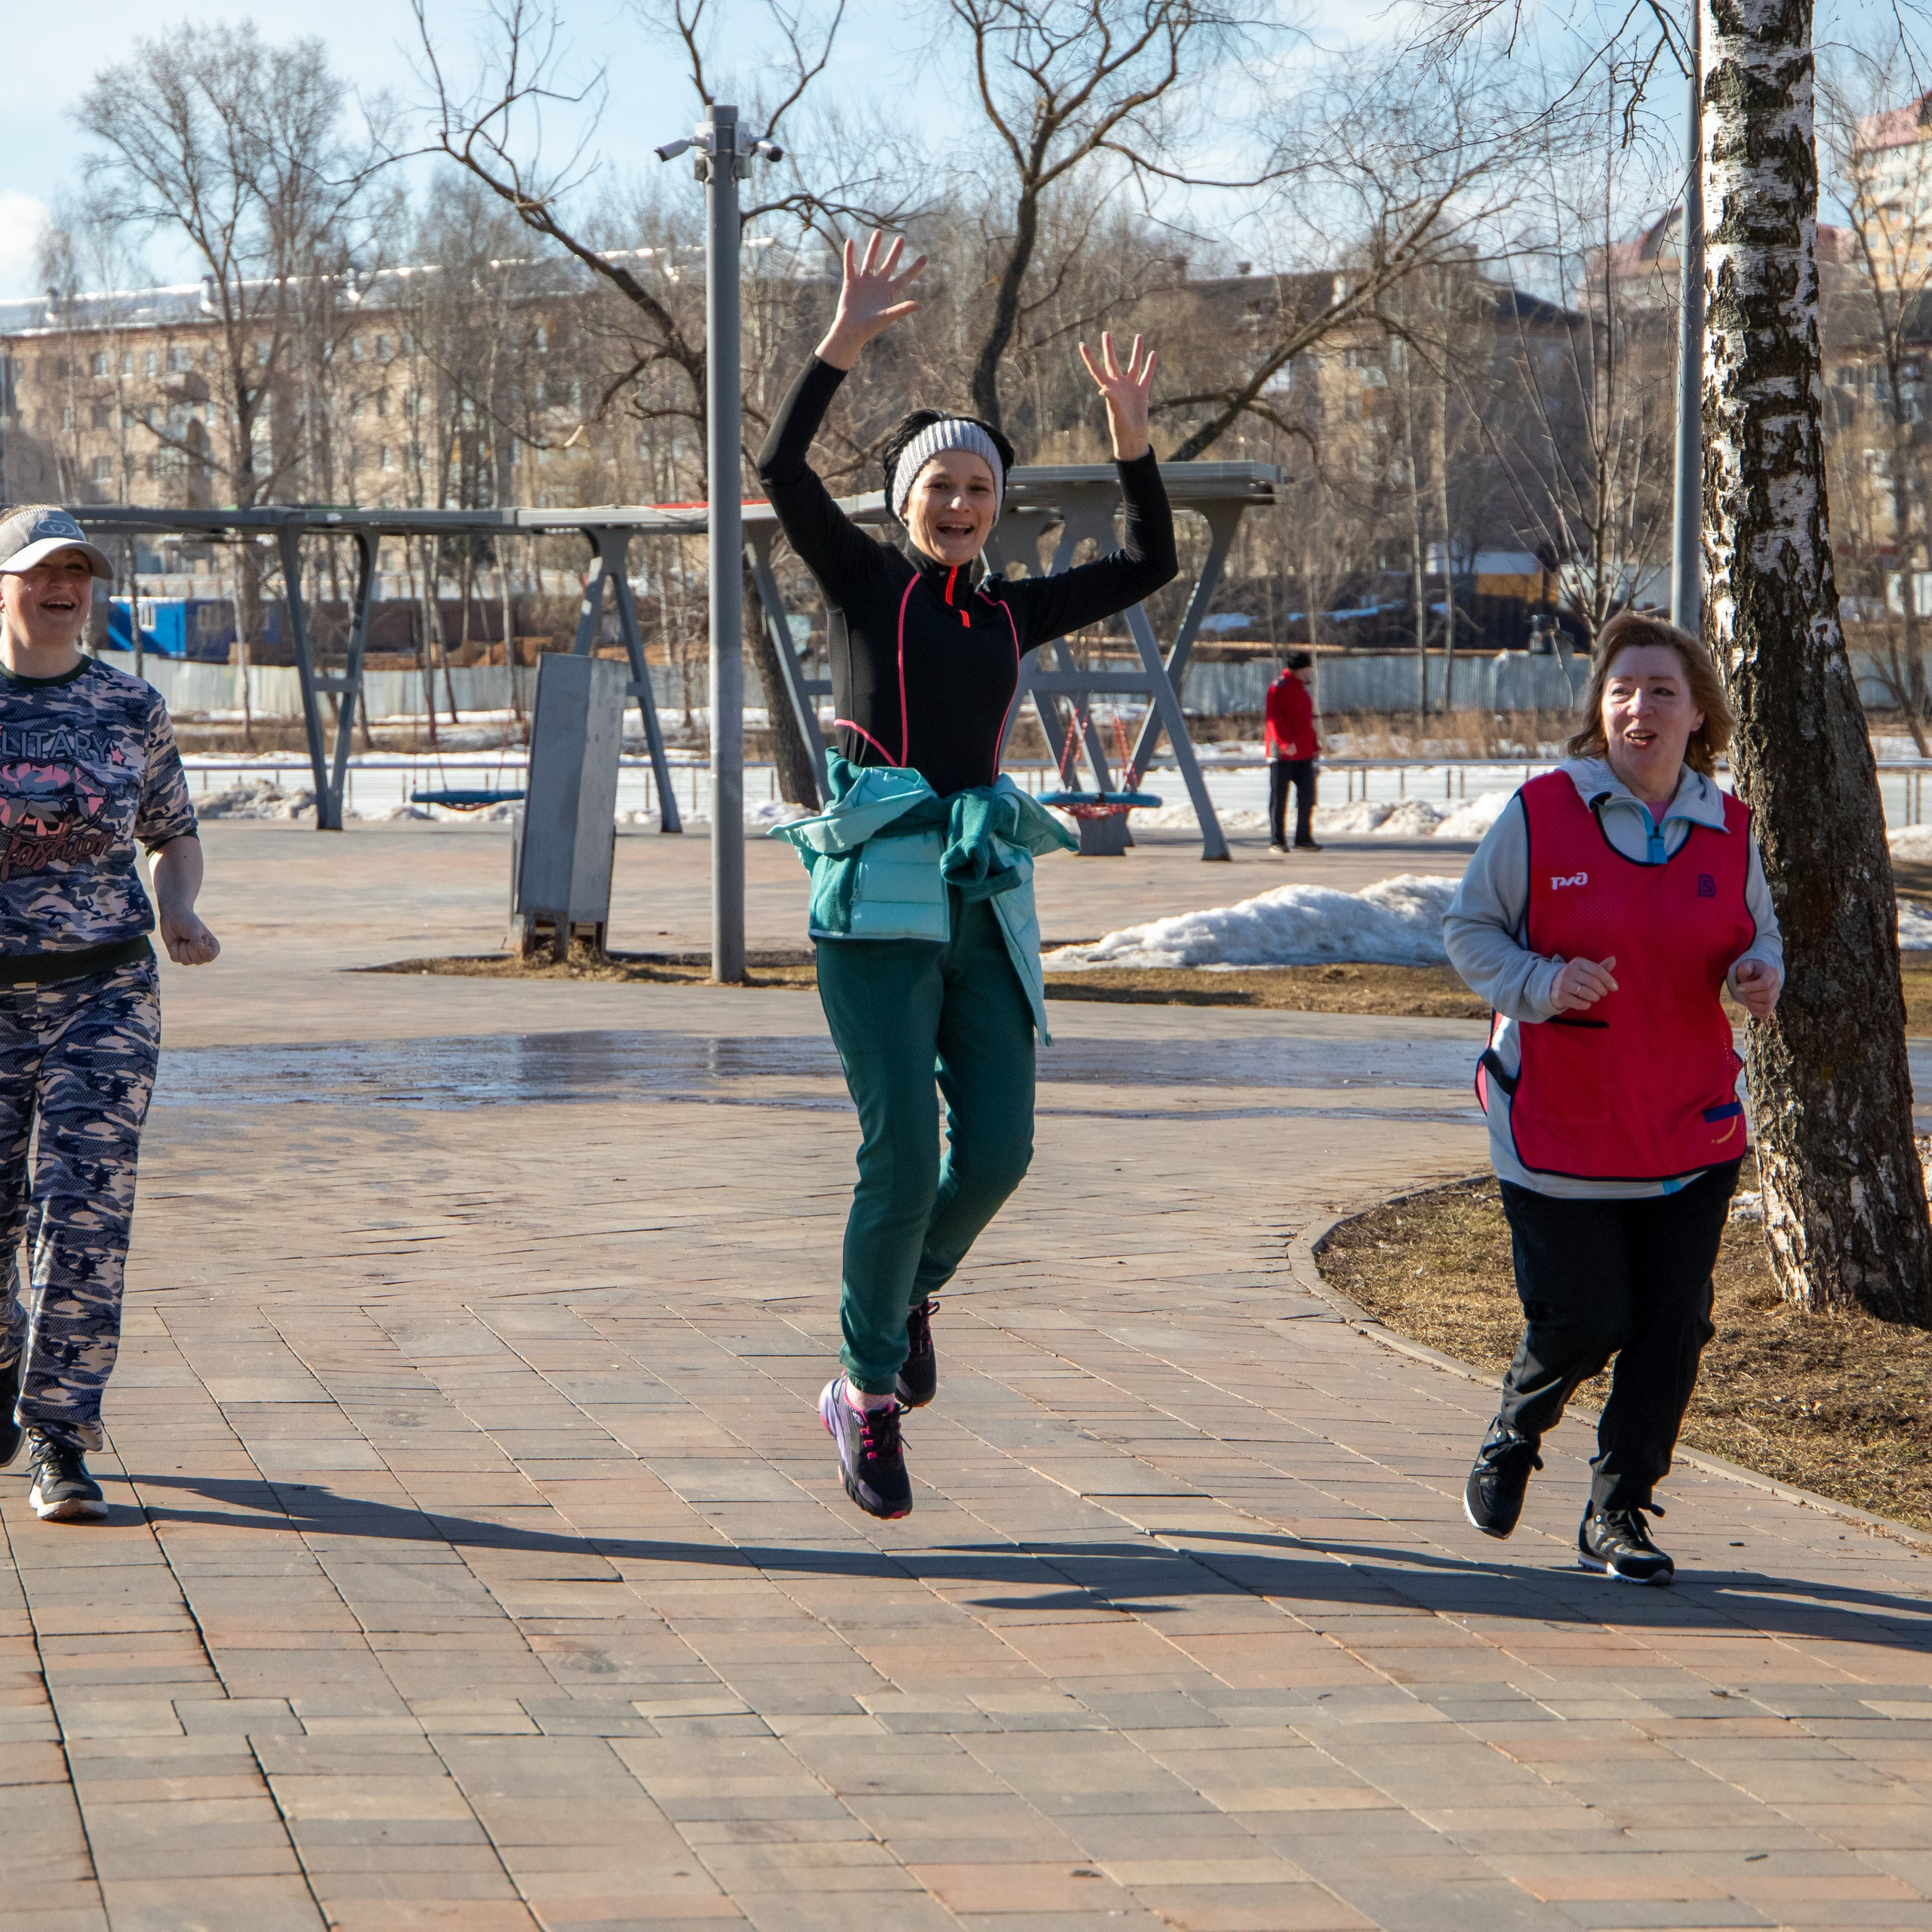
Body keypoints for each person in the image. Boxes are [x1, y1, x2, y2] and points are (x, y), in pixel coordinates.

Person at [758, 232, 1177, 1520]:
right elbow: (776, 466)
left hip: (983, 897)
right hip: (876, 899)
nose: (959, 504)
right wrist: (842, 341)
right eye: (939, 484)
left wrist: (1129, 432)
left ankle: (906, 1289)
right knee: (897, 1156)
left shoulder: (1007, 612)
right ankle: (865, 1394)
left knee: (997, 1150)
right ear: (905, 501)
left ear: (998, 507)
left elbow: (1150, 561)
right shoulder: (867, 584)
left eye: (978, 490)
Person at [1443, 610, 1782, 1584]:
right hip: (1561, 1121)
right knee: (1588, 1315)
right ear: (1601, 709)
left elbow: (1758, 937)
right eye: (1623, 689)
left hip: (1689, 1125)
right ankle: (1516, 1432)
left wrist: (1762, 972)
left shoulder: (1732, 829)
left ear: (1697, 716)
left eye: (1662, 691)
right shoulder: (1544, 812)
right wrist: (1542, 986)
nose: (1641, 706)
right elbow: (1471, 933)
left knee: (1673, 1323)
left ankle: (1618, 1512)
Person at [0, 506, 218, 1521]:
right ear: (4, 585)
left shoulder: (131, 707)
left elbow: (173, 833)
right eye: (44, 570)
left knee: (82, 1211)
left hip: (105, 992)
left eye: (79, 572)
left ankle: (59, 1433)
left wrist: (179, 910)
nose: (63, 586)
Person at [1265, 651, 1320, 852]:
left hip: (1304, 753)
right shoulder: (1278, 687)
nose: (1309, 672)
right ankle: (1277, 840)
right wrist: (1284, 742)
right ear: (1299, 669)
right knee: (1280, 798)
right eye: (1307, 668)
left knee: (1307, 796)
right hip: (1282, 753)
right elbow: (1273, 718)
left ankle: (1303, 838)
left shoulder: (1303, 691)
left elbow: (1306, 723)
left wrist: (1314, 746)